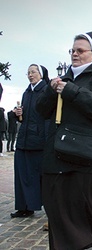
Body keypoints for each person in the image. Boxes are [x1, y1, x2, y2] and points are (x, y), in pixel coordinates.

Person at [36, 32, 92, 250]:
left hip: (87, 155)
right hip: (58, 154)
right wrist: (51, 91)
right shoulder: (63, 78)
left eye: (80, 51)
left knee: (90, 207)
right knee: (56, 207)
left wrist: (71, 91)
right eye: (72, 50)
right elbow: (41, 111)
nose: (75, 54)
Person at [11, 64, 50, 218]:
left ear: (41, 74)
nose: (30, 75)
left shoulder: (46, 91)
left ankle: (39, 205)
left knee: (39, 177)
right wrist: (17, 113)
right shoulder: (27, 92)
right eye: (28, 72)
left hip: (39, 142)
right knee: (21, 175)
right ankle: (24, 207)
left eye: (33, 72)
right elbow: (24, 117)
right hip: (23, 141)